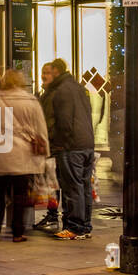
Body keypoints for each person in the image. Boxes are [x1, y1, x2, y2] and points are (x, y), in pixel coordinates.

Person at [0, 68, 49, 242]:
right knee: (20, 194)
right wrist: (45, 153)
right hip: (24, 153)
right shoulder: (30, 100)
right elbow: (41, 128)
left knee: (0, 193)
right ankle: (18, 233)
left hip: (3, 152)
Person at [41, 57, 96, 240]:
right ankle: (85, 225)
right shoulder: (80, 88)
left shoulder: (62, 91)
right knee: (84, 187)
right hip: (87, 144)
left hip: (71, 147)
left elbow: (64, 122)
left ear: (56, 70)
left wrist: (60, 143)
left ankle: (75, 227)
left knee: (73, 187)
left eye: (50, 71)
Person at [33, 63, 61, 231]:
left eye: (47, 73)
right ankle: (52, 215)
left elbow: (48, 120)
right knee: (52, 184)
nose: (44, 75)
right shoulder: (47, 93)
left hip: (54, 146)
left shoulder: (53, 94)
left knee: (53, 184)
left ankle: (53, 216)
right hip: (51, 145)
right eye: (43, 72)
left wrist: (46, 139)